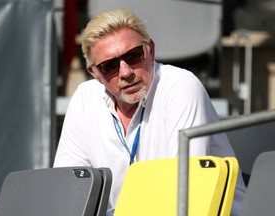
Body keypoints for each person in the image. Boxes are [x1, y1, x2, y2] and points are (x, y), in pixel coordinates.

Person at [53, 8, 246, 215]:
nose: (126, 72)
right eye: (110, 66)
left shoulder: (181, 87)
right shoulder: (84, 98)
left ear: (150, 51)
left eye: (134, 56)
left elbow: (184, 192)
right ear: (95, 74)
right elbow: (68, 193)